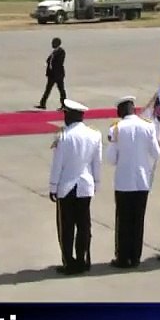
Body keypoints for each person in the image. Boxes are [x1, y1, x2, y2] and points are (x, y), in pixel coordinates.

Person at [105, 96, 160, 268]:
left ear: (120, 111)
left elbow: (111, 159)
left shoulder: (117, 128)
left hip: (124, 181)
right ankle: (135, 256)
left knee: (123, 221)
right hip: (142, 181)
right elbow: (156, 153)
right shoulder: (148, 126)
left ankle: (122, 257)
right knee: (138, 220)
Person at [48, 99, 101, 274]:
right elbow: (96, 163)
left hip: (66, 187)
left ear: (70, 115)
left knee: (67, 227)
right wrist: (97, 183)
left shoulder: (64, 136)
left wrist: (53, 187)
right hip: (86, 185)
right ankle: (83, 259)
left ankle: (69, 263)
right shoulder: (94, 135)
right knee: (84, 225)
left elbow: (58, 164)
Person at [35, 38, 67, 111]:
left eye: (54, 43)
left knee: (61, 90)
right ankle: (43, 104)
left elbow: (58, 63)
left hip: (58, 75)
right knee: (48, 90)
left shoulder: (61, 52)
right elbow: (48, 61)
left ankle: (64, 105)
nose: (52, 44)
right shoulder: (54, 52)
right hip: (52, 75)